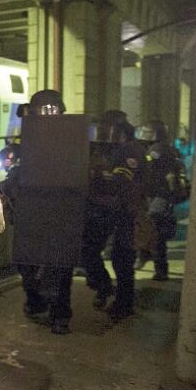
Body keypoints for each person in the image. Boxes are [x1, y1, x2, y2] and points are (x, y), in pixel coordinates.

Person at [1, 89, 75, 334]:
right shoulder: (25, 144)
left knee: (59, 268)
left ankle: (60, 315)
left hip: (59, 213)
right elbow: (13, 171)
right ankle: (35, 302)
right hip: (29, 213)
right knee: (27, 265)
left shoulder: (69, 144)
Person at [82, 109, 146, 322]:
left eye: (105, 126)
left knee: (122, 259)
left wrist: (102, 174)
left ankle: (124, 303)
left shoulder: (130, 150)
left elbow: (123, 182)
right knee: (88, 250)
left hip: (124, 211)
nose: (100, 130)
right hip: (101, 208)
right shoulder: (104, 148)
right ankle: (104, 285)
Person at [135, 120, 188, 281]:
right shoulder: (169, 148)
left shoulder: (156, 150)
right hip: (162, 195)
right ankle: (150, 261)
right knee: (153, 230)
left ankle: (158, 268)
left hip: (160, 195)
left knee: (154, 230)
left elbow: (146, 164)